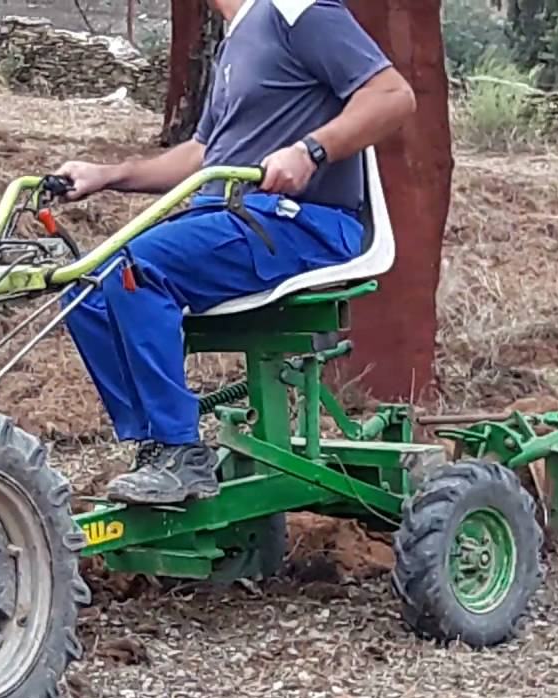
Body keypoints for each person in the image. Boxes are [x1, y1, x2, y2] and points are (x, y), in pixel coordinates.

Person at [54, 0, 417, 505]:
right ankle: (156, 446)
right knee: (86, 288)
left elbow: (393, 95)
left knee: (134, 271)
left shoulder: (295, 10)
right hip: (232, 219)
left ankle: (180, 452)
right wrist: (109, 175)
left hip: (299, 222)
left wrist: (311, 150)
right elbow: (205, 153)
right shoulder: (234, 40)